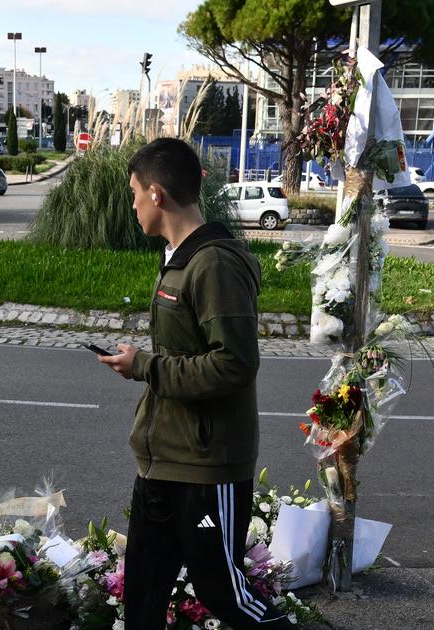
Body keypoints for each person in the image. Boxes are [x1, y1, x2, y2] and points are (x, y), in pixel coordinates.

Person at [96, 137, 294, 628]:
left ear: (157, 193)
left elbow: (234, 364)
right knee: (143, 590)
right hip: (162, 460)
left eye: (134, 193)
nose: (133, 204)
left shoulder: (215, 263)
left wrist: (145, 366)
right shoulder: (179, 257)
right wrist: (143, 364)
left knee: (220, 588)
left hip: (206, 471)